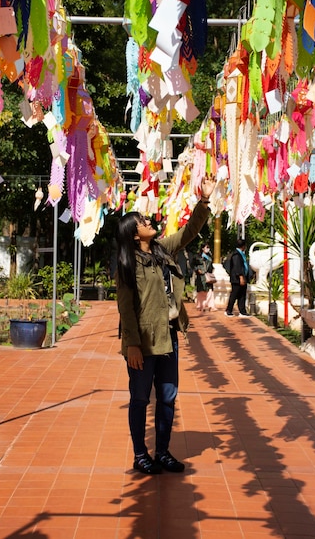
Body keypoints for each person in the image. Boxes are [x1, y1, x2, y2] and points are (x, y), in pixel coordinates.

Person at [115, 178, 215, 475]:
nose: (149, 221)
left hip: (168, 336)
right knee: (141, 397)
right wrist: (131, 344)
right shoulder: (127, 264)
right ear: (134, 235)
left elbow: (189, 232)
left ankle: (162, 452)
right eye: (143, 221)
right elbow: (126, 308)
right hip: (143, 341)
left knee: (168, 396)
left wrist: (204, 201)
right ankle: (140, 454)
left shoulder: (161, 250)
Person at [224, 238, 251, 318]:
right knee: (234, 294)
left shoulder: (241, 254)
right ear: (243, 246)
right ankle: (229, 310)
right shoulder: (236, 255)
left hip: (243, 277)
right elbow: (237, 267)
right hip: (237, 279)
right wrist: (241, 277)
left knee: (242, 295)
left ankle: (242, 311)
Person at [192, 243, 217, 312]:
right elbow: (193, 265)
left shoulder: (209, 256)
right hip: (201, 276)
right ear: (202, 248)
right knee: (201, 291)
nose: (208, 249)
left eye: (208, 247)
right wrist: (197, 270)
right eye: (206, 247)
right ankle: (200, 305)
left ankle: (211, 305)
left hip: (208, 275)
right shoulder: (197, 256)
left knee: (210, 291)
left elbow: (211, 265)